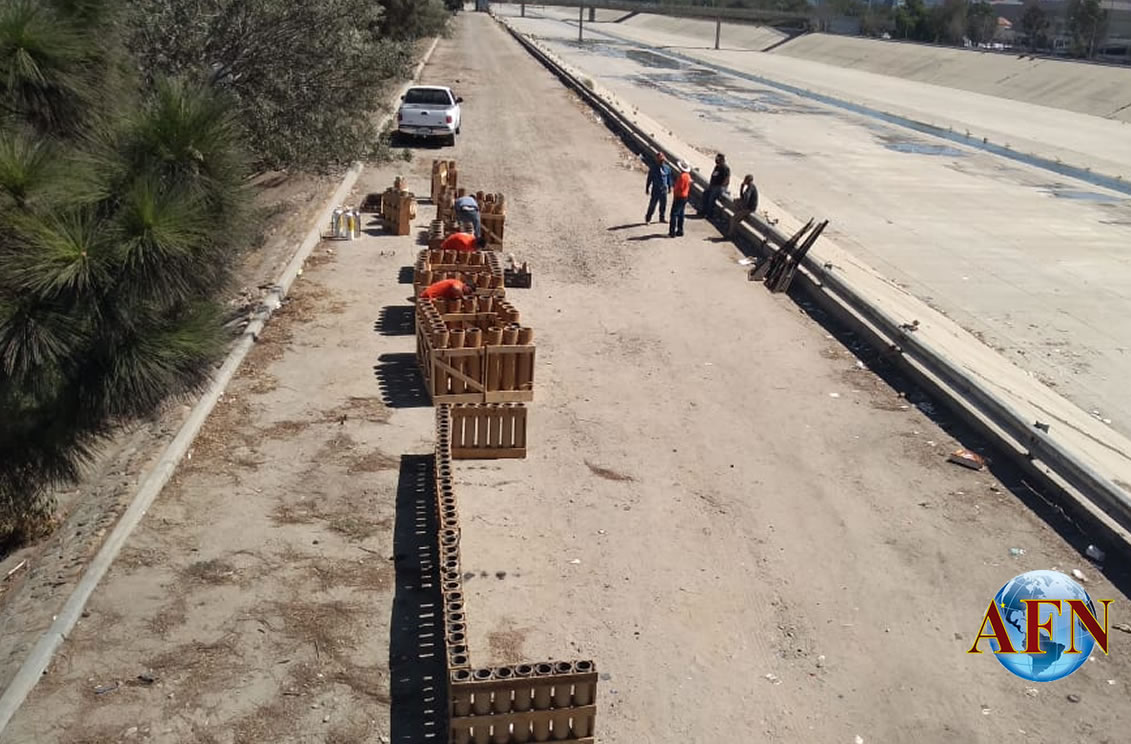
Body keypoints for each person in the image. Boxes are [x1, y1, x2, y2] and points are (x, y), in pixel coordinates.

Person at [700, 153, 730, 220]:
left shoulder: (725, 168)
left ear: (722, 160)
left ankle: (709, 214)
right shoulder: (717, 167)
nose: (716, 160)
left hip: (719, 187)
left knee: (711, 199)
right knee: (705, 194)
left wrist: (721, 188)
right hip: (713, 185)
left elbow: (726, 180)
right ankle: (703, 211)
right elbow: (713, 175)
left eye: (718, 159)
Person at [727, 174, 759, 238]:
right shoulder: (749, 187)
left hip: (750, 208)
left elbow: (746, 198)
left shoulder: (751, 187)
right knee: (736, 201)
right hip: (747, 205)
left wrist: (743, 207)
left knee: (733, 219)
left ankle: (730, 235)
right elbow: (742, 197)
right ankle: (739, 214)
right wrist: (741, 188)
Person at [644, 151, 672, 224]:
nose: (661, 161)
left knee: (663, 205)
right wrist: (647, 188)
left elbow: (669, 178)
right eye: (659, 160)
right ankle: (648, 218)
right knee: (652, 204)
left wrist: (669, 187)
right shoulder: (653, 168)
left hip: (664, 189)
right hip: (656, 189)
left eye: (662, 159)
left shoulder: (667, 168)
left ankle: (662, 218)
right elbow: (649, 179)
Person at [669, 161, 691, 238]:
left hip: (679, 196)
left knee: (673, 214)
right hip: (685, 196)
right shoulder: (688, 176)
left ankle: (672, 232)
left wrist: (675, 193)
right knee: (681, 214)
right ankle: (680, 230)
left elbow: (679, 188)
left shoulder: (682, 176)